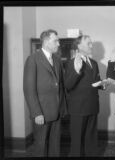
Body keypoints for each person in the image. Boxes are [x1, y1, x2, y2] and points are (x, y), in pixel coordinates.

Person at [23, 29, 67, 157]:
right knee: (41, 147)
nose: (58, 44)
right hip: (41, 113)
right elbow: (28, 89)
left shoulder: (57, 60)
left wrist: (62, 108)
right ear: (46, 42)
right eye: (56, 41)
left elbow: (61, 86)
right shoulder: (33, 59)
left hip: (57, 112)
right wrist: (36, 113)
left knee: (55, 145)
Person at [64, 35, 108, 156]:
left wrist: (103, 84)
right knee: (77, 143)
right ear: (79, 46)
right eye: (88, 43)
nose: (91, 45)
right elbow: (68, 85)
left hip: (92, 107)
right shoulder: (71, 62)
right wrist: (77, 71)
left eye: (91, 43)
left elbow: (94, 82)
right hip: (78, 109)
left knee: (91, 140)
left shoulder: (93, 63)